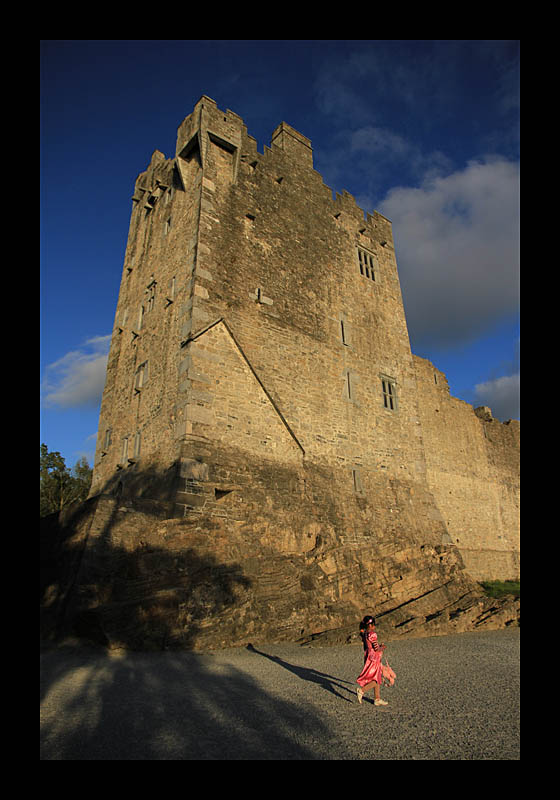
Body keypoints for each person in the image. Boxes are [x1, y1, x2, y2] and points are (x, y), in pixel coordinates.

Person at [356, 615, 388, 706]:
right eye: (374, 624)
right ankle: (362, 690)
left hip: (368, 657)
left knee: (376, 676)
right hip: (374, 658)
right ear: (371, 625)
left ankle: (377, 699)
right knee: (377, 679)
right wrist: (383, 647)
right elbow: (376, 648)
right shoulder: (372, 634)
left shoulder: (365, 633)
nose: (374, 626)